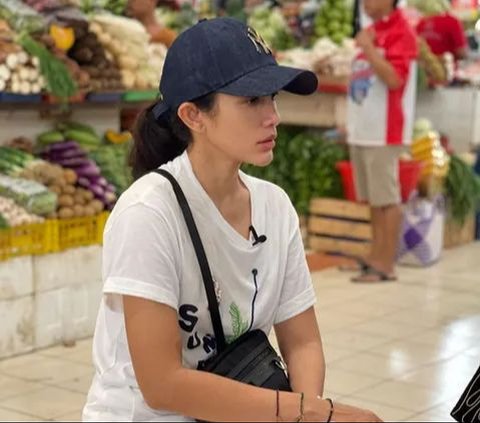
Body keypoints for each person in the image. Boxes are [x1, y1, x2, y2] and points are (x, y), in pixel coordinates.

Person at [82, 17, 382, 423]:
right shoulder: (148, 213)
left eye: (272, 97)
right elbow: (161, 384)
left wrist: (306, 414)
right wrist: (310, 412)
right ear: (193, 115)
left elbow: (303, 342)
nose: (273, 116)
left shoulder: (274, 206)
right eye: (251, 100)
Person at [346, 0, 418, 283]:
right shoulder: (373, 30)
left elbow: (394, 79)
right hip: (365, 128)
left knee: (387, 198)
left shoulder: (403, 31)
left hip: (386, 130)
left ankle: (386, 264)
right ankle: (375, 255)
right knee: (375, 199)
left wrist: (368, 49)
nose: (365, 3)